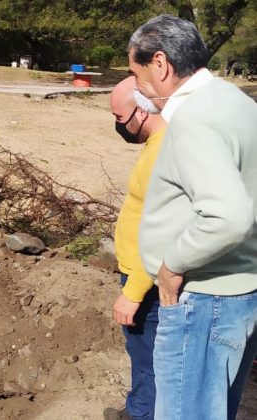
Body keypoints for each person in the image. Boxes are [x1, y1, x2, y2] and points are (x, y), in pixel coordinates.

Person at [129, 14, 257, 420]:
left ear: (161, 64)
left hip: (204, 298)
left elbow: (230, 216)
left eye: (137, 73)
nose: (137, 87)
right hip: (238, 293)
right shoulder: (235, 101)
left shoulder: (195, 119)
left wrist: (172, 266)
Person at [107, 76, 167, 420]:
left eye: (119, 117)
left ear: (141, 112)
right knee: (142, 352)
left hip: (145, 280)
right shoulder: (158, 143)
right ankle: (137, 408)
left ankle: (142, 414)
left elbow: (162, 231)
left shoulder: (163, 151)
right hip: (138, 273)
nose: (119, 125)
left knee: (149, 358)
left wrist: (132, 291)